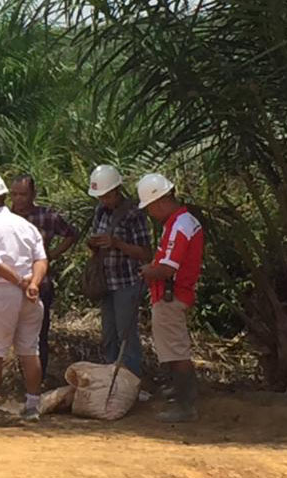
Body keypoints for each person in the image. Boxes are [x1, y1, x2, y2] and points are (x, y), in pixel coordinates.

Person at [0, 172, 48, 423]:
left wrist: (21, 281)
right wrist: (33, 283)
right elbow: (41, 259)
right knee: (29, 350)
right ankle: (33, 406)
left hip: (2, 292)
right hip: (30, 296)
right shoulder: (26, 225)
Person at [136, 172, 205, 423]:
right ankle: (179, 392)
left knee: (176, 350)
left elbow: (168, 268)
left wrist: (147, 271)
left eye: (150, 208)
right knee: (171, 348)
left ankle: (185, 405)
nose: (151, 213)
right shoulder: (180, 222)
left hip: (171, 294)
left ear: (160, 201)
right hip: (172, 293)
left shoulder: (179, 225)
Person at [84, 164, 152, 377]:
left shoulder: (134, 214)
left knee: (126, 333)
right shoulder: (100, 211)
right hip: (106, 282)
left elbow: (146, 253)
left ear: (116, 191)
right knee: (109, 334)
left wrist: (117, 243)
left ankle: (130, 379)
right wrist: (94, 244)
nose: (103, 200)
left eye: (106, 196)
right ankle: (109, 376)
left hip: (127, 282)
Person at [9, 174, 78, 379]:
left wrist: (52, 255)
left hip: (39, 285)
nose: (18, 199)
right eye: (14, 194)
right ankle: (14, 379)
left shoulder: (46, 216)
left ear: (33, 194)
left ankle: (36, 382)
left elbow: (71, 234)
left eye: (23, 194)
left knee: (38, 336)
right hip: (10, 284)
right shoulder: (5, 218)